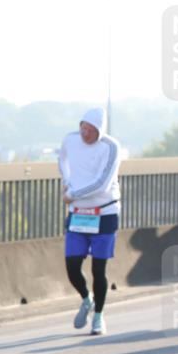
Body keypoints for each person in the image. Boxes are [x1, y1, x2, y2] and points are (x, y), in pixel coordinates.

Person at [58, 107, 122, 336]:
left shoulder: (111, 147)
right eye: (82, 127)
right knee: (72, 265)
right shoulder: (71, 140)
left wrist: (72, 194)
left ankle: (98, 317)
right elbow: (62, 158)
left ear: (100, 131)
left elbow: (101, 184)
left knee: (98, 268)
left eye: (90, 130)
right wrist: (67, 181)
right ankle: (87, 300)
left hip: (104, 213)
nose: (85, 133)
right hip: (79, 213)